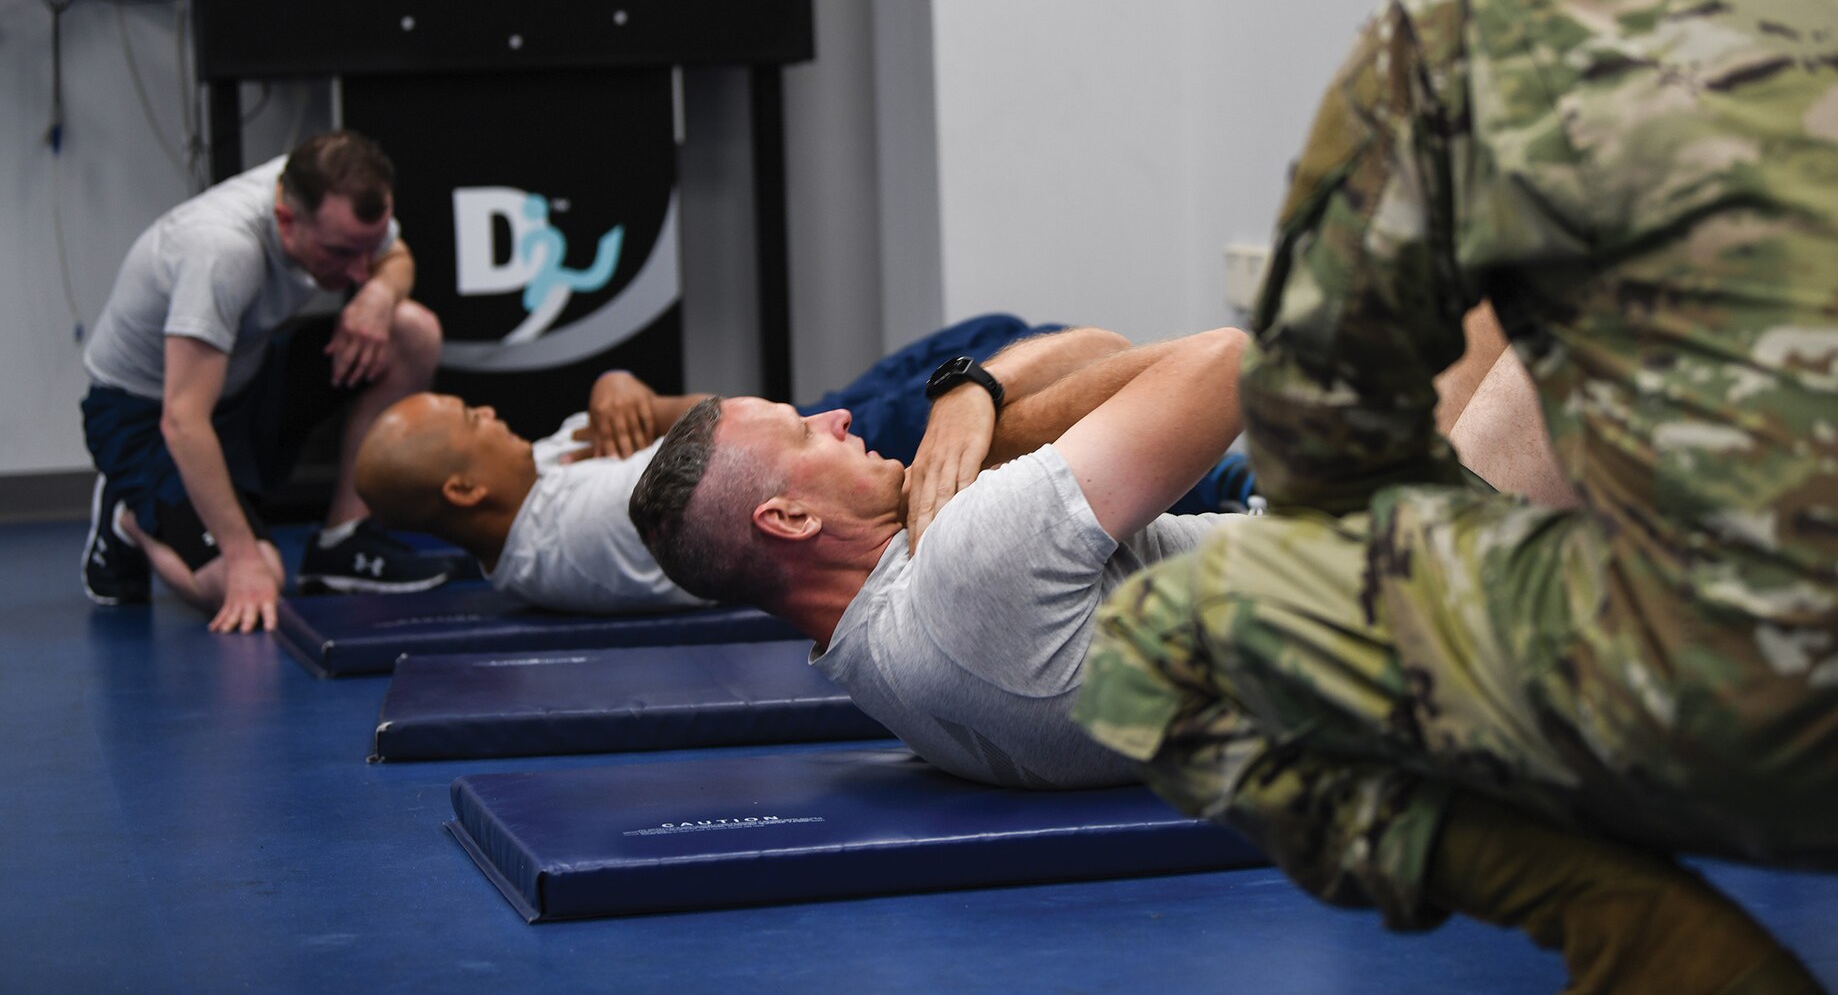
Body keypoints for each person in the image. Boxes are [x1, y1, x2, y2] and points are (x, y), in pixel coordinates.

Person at [1070, 0, 1838, 992]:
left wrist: (1535, 550)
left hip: (1729, 708)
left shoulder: (1469, 8)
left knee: (1162, 641)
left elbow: (1319, 443)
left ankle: (1655, 941)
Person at [630, 325, 1253, 788]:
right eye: (803, 431)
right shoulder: (965, 565)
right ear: (791, 519)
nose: (837, 418)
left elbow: (1099, 349)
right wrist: (971, 391)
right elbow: (1231, 361)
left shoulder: (873, 665)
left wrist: (969, 391)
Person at [354, 315, 1262, 616]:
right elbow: (729, 460)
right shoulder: (581, 523)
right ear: (463, 489)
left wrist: (618, 379)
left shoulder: (539, 474)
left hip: (799, 437)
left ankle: (1210, 471)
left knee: (1002, 338)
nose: (485, 407)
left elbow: (725, 435)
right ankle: (1225, 480)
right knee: (1035, 353)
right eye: (469, 419)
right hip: (840, 469)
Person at [80, 130, 447, 634]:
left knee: (411, 331)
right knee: (256, 581)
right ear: (285, 220)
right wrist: (243, 557)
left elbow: (395, 257)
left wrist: (381, 295)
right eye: (341, 253)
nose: (360, 270)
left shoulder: (324, 188)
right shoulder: (221, 252)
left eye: (367, 249)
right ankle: (128, 516)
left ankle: (344, 538)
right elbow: (183, 421)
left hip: (240, 384)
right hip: (147, 415)